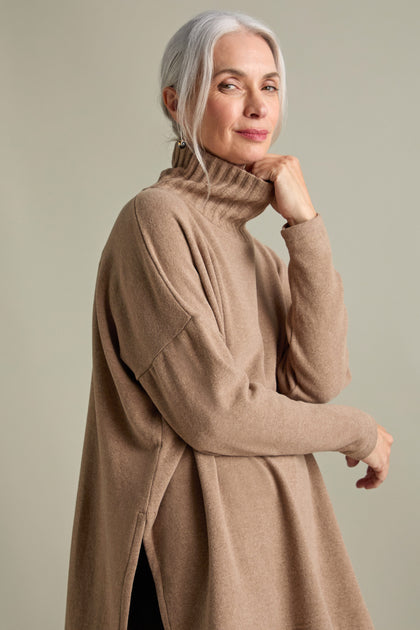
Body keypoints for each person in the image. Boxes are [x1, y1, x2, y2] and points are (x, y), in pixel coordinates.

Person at [64, 9, 394, 630]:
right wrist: (356, 432)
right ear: (177, 100)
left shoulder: (258, 251)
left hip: (274, 539)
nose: (256, 106)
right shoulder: (155, 221)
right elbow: (213, 411)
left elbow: (318, 380)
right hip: (190, 556)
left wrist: (306, 228)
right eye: (228, 84)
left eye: (269, 86)